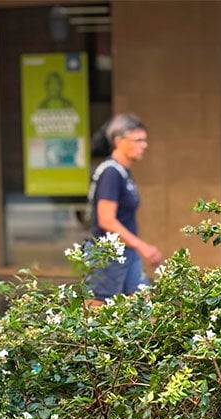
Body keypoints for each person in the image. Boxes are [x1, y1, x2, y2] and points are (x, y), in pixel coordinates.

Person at [85, 113, 162, 303]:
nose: (144, 145)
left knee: (144, 306)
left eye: (144, 140)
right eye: (138, 140)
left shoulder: (123, 172)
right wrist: (142, 246)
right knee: (100, 309)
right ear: (119, 141)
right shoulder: (110, 172)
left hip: (127, 251)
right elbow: (106, 220)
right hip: (107, 253)